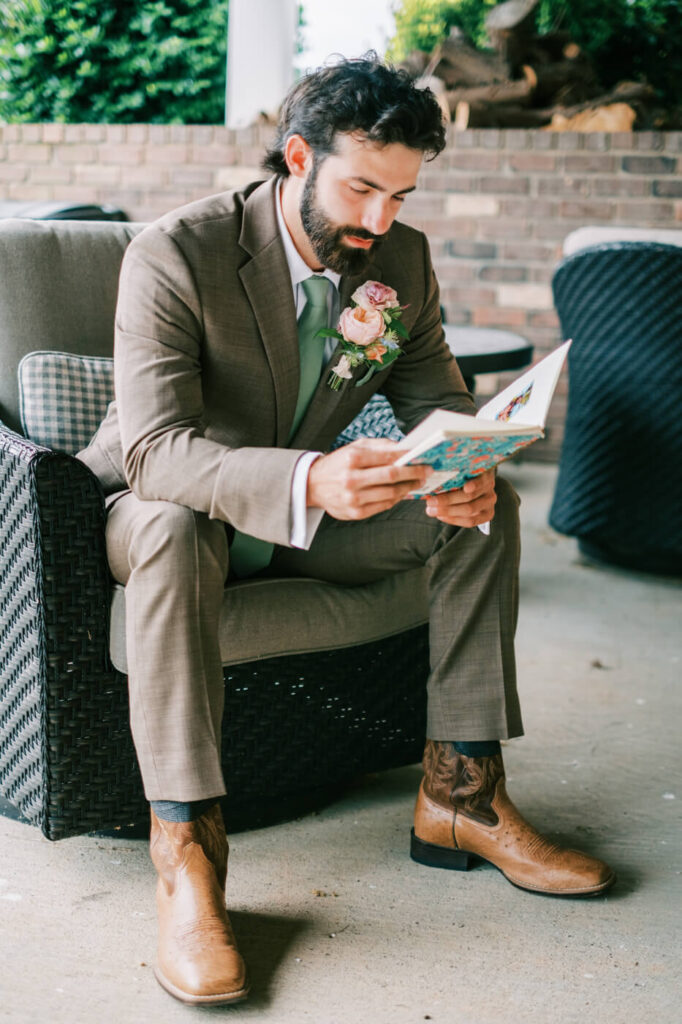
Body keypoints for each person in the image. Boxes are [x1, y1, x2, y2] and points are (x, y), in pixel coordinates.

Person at [78, 56, 615, 1007]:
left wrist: (461, 467)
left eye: (400, 195)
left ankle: (459, 796)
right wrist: (311, 476)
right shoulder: (176, 251)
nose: (378, 220)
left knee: (483, 517)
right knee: (172, 529)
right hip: (164, 509)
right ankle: (189, 859)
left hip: (309, 520)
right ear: (298, 157)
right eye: (361, 187)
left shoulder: (398, 258)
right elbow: (157, 451)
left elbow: (438, 398)